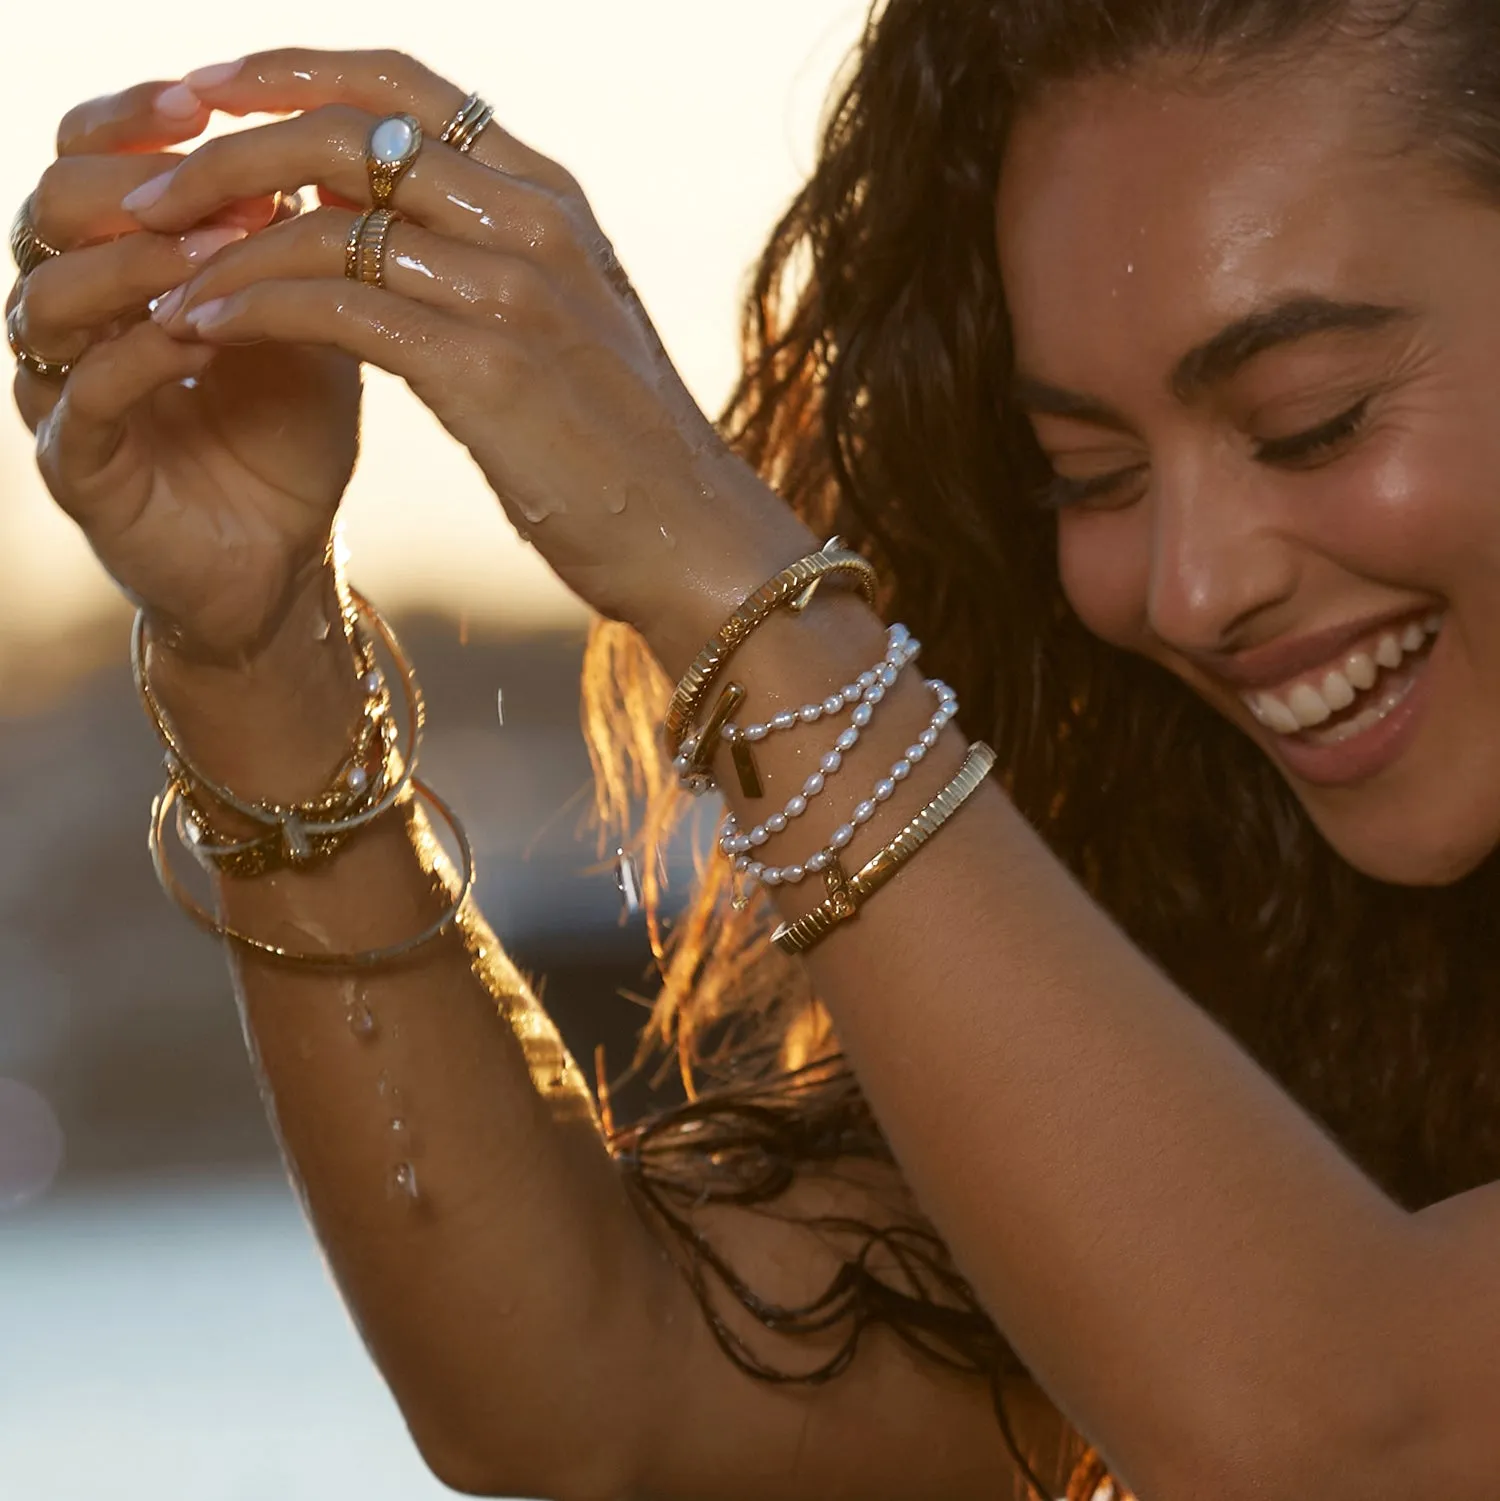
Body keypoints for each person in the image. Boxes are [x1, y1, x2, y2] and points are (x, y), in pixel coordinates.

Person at [10, 0, 1500, 1495]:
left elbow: (1359, 1438)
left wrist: (735, 585)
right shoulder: (1337, 974)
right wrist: (259, 651)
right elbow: (597, 1383)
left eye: (1314, 423)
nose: (1191, 588)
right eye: (1089, 478)